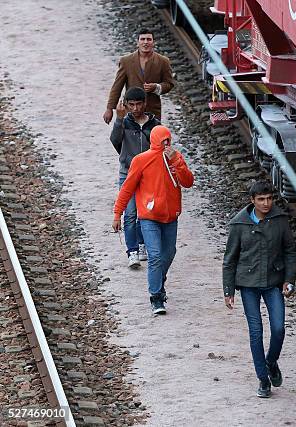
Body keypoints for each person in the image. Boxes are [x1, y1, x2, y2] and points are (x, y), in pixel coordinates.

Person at [222, 181, 296, 398]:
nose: (266, 203)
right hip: (248, 285)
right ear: (252, 200)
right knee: (256, 332)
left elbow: (290, 251)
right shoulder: (239, 224)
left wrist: (288, 279)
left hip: (273, 282)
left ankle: (271, 361)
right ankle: (263, 380)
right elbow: (230, 260)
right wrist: (228, 290)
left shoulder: (280, 220)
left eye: (269, 199)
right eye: (261, 200)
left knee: (279, 329)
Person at [112, 125, 194, 315]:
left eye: (168, 140)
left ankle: (158, 279)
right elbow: (127, 188)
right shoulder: (141, 160)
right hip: (149, 217)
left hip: (171, 217)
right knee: (155, 255)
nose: (166, 144)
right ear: (156, 141)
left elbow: (188, 181)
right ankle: (156, 297)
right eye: (162, 140)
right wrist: (118, 213)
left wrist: (176, 161)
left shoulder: (176, 157)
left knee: (169, 252)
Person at [110, 87, 161, 268]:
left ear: (145, 104)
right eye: (131, 104)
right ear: (126, 105)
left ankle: (141, 245)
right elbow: (115, 140)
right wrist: (119, 118)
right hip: (128, 173)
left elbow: (160, 148)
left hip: (148, 175)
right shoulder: (124, 122)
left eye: (138, 104)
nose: (135, 108)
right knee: (129, 213)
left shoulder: (155, 124)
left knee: (144, 212)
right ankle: (132, 251)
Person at [103, 29, 174, 124]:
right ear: (138, 42)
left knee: (151, 138)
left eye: (149, 39)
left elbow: (169, 84)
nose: (145, 42)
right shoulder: (126, 61)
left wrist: (156, 87)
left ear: (153, 42)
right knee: (129, 137)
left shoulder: (163, 61)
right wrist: (109, 108)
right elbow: (117, 86)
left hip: (152, 111)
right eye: (142, 39)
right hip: (130, 111)